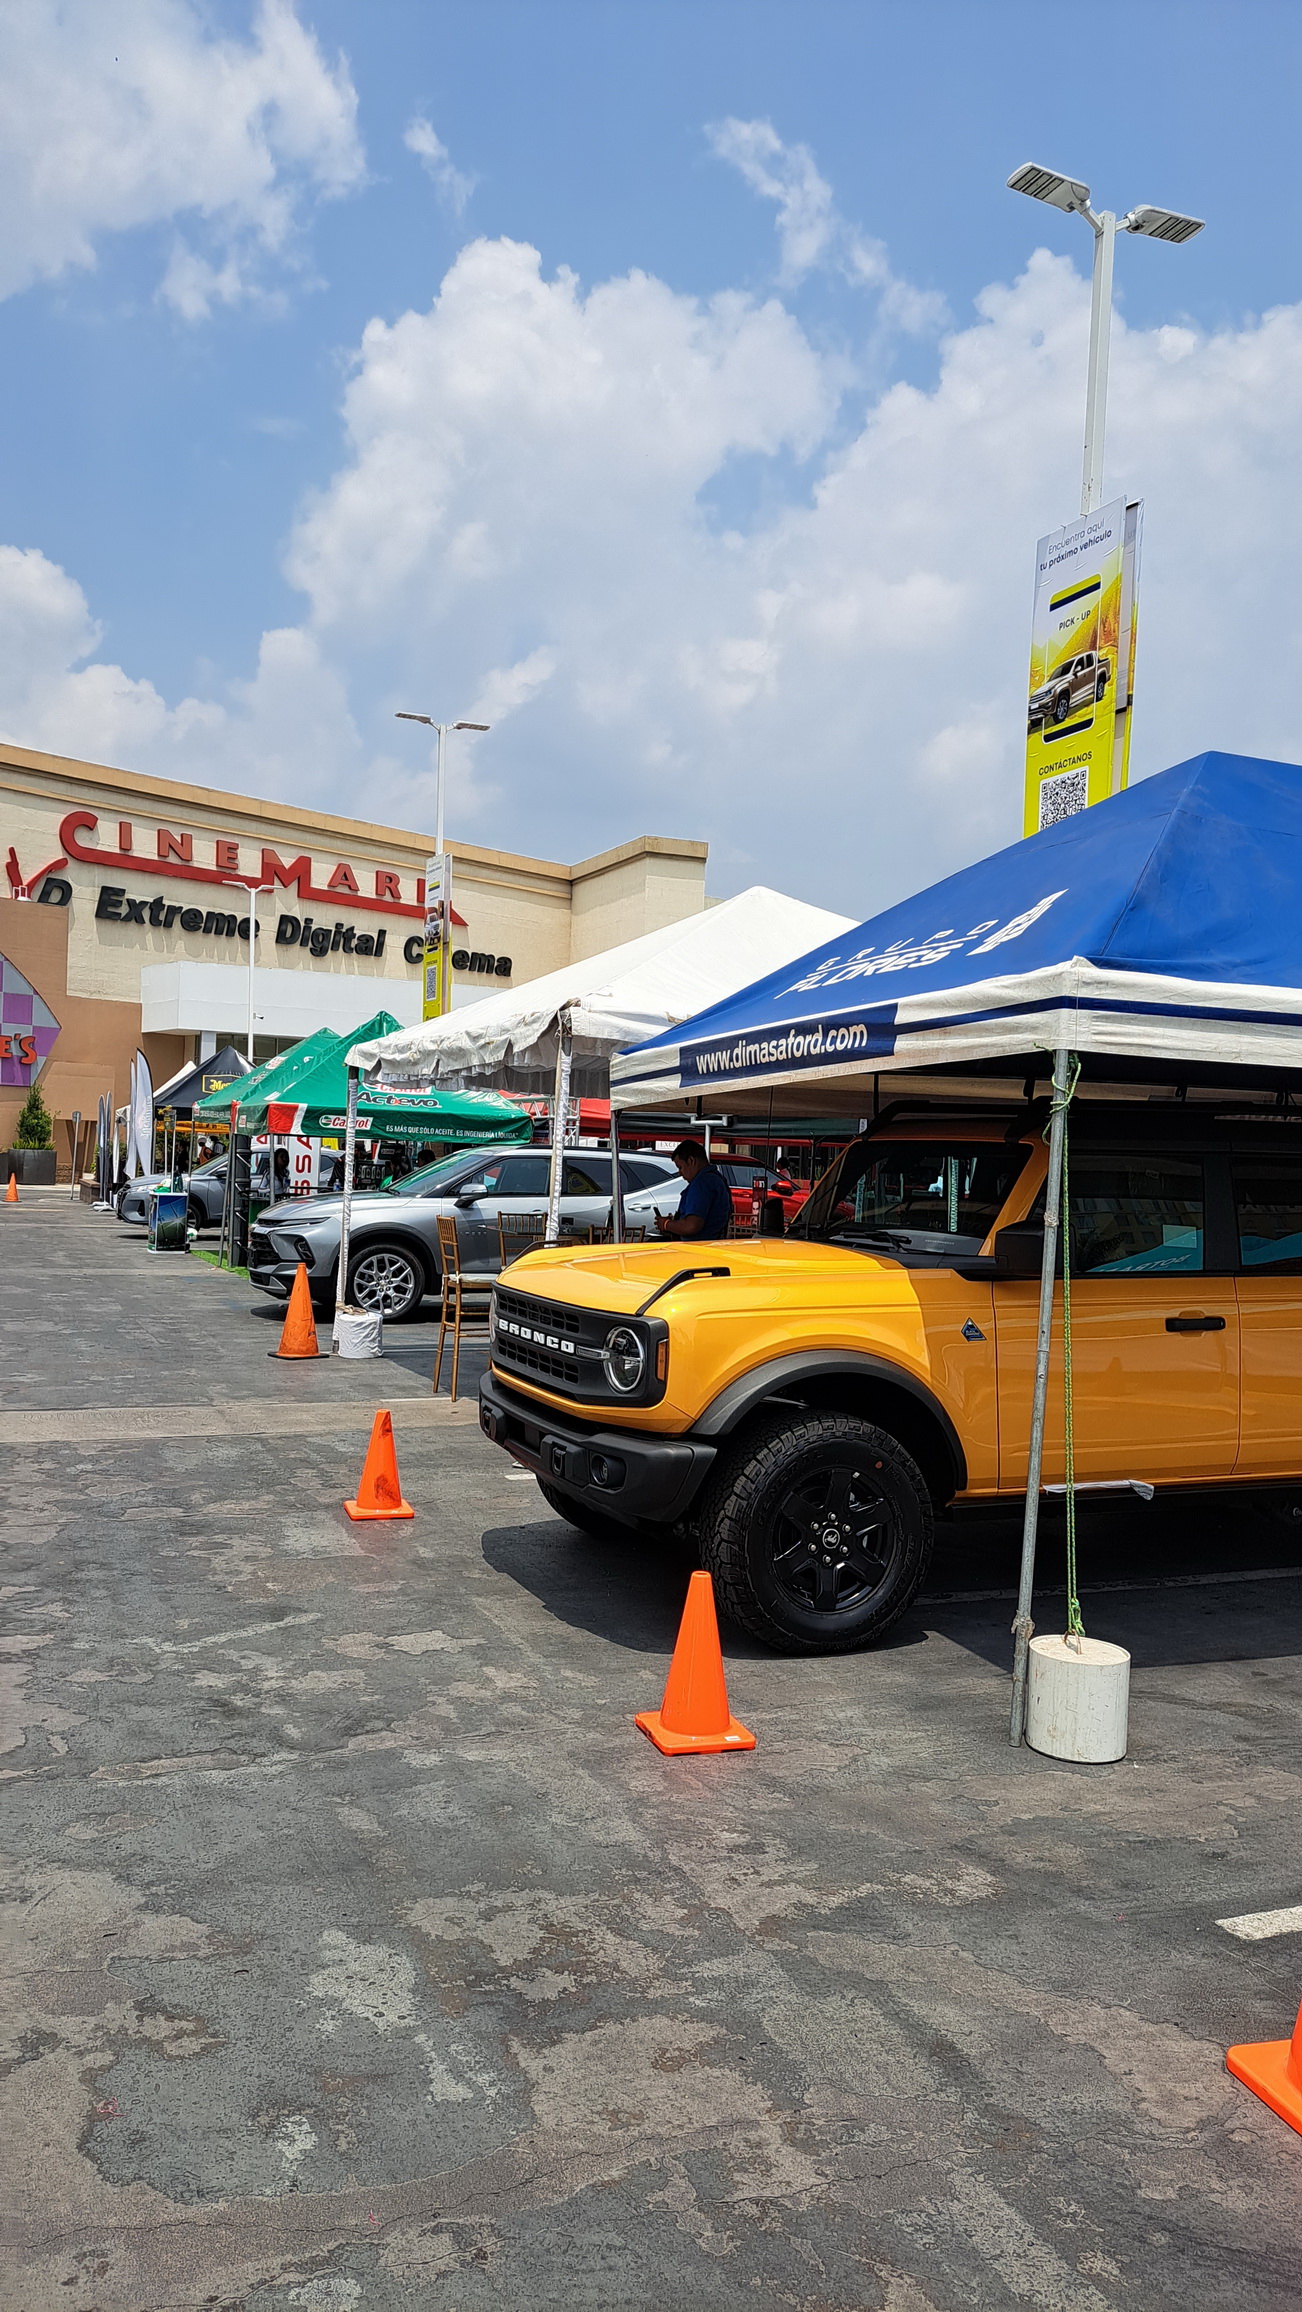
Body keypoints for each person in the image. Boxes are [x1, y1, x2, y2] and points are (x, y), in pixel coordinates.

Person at [655, 1139, 733, 1240]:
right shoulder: (717, 1179)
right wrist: (676, 1223)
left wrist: (666, 1224)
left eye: (680, 1167)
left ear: (691, 1161)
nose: (680, 1173)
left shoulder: (702, 1183)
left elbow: (692, 1226)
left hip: (698, 1247)